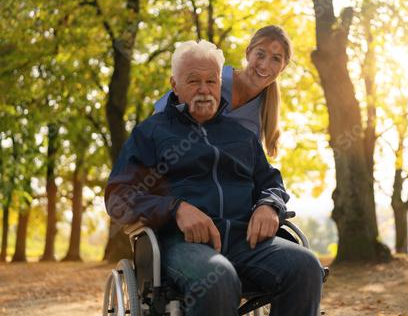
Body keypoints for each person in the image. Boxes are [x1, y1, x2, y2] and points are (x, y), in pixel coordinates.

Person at [105, 40, 323, 316]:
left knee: (305, 266)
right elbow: (118, 197)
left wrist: (269, 204)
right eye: (193, 81)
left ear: (221, 83)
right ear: (174, 85)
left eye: (212, 81)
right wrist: (175, 209)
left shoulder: (241, 136)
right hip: (181, 244)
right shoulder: (150, 133)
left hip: (245, 240)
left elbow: (270, 182)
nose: (204, 89)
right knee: (218, 277)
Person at [154, 25, 291, 157]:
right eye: (260, 54)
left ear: (283, 67)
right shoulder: (211, 78)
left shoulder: (262, 115)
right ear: (248, 53)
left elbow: (248, 165)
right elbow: (158, 118)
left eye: (276, 59)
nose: (265, 65)